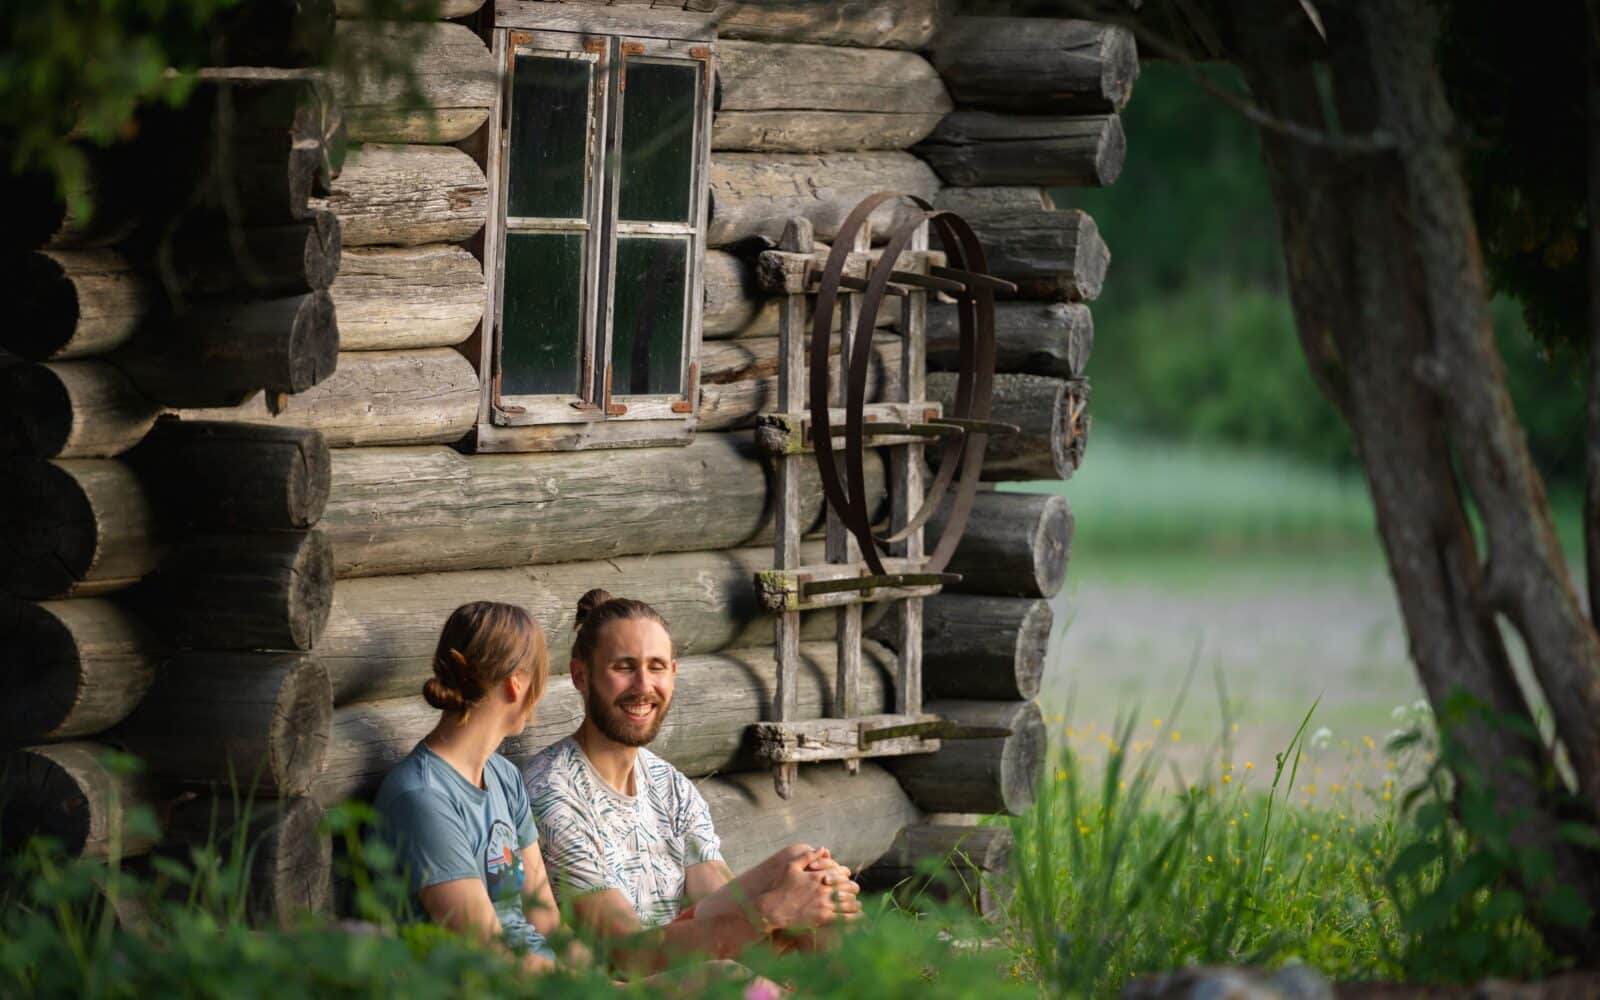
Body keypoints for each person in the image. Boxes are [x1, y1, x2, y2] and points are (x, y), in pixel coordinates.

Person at [522, 589, 861, 973]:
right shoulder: (553, 793)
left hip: (684, 956)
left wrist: (804, 904)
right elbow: (625, 954)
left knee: (809, 868)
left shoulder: (669, 785)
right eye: (623, 667)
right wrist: (775, 912)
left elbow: (718, 899)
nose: (643, 686)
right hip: (630, 980)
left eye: (656, 667)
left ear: (673, 673)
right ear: (581, 676)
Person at [373, 601, 559, 971]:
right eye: (540, 675)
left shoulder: (504, 777)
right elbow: (492, 957)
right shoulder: (422, 798)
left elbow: (548, 922)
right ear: (516, 683)